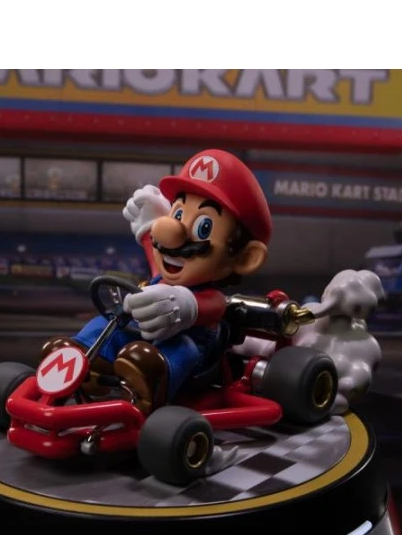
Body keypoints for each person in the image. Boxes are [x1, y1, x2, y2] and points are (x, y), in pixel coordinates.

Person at [41, 149, 271, 413]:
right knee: (106, 324)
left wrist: (185, 305)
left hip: (194, 360)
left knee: (180, 346)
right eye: (177, 215)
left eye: (203, 227)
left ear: (245, 258)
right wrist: (148, 223)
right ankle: (82, 359)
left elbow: (208, 308)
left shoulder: (212, 299)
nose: (171, 233)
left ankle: (152, 382)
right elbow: (156, 248)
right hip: (142, 339)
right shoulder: (164, 274)